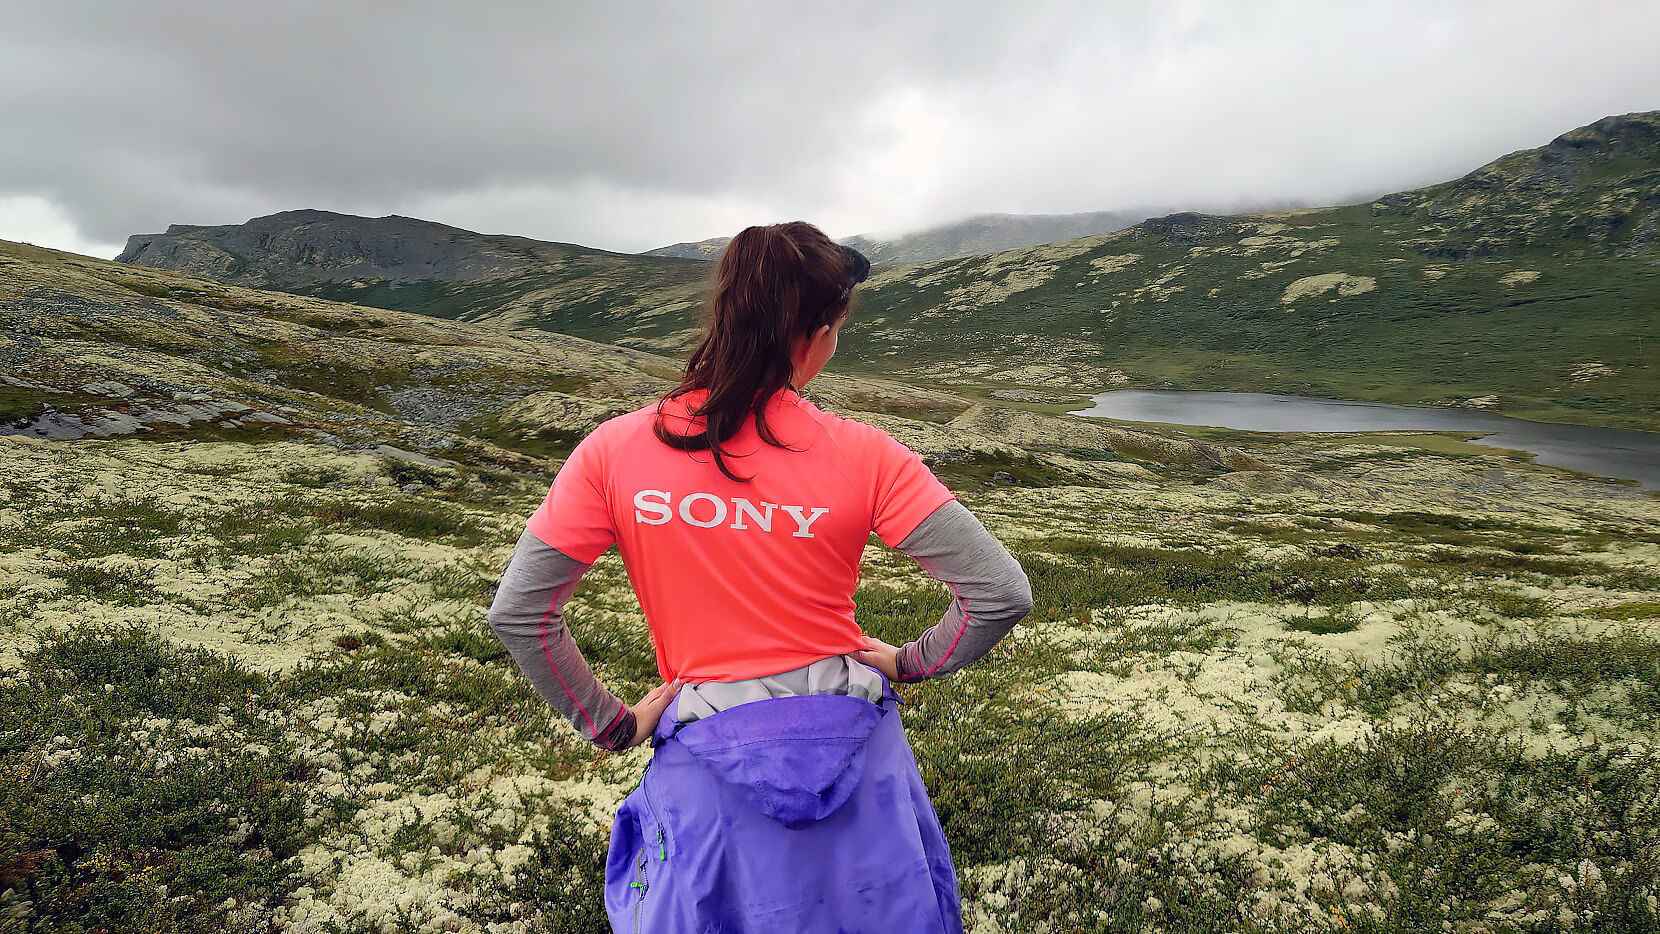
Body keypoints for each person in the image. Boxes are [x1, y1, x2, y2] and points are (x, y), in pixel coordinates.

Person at [486, 221, 1034, 933]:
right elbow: (1000, 592)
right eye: (837, 330)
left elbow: (519, 613)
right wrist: (910, 662)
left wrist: (613, 727)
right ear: (817, 330)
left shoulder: (616, 450)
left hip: (708, 787)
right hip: (860, 770)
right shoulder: (867, 454)